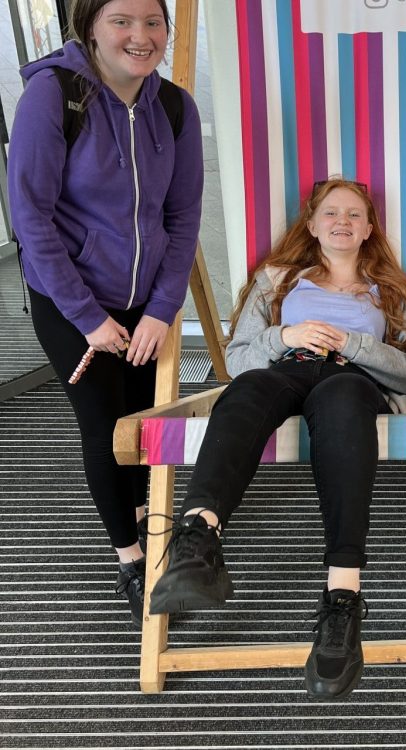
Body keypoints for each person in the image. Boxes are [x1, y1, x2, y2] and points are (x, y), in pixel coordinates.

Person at [148, 178, 406, 700]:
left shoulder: (392, 291)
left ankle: (342, 600)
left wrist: (355, 343)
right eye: (331, 213)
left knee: (346, 401)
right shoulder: (279, 280)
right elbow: (235, 361)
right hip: (287, 366)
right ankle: (197, 538)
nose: (342, 221)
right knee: (249, 389)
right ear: (312, 224)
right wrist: (285, 336)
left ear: (369, 229)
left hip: (351, 376)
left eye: (354, 215)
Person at [7, 0, 204, 625]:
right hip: (71, 300)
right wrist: (89, 318)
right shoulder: (52, 97)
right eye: (122, 21)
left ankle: (150, 519)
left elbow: (182, 218)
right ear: (89, 25)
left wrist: (162, 308)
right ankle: (129, 556)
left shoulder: (174, 107)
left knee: (145, 421)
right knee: (104, 422)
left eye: (153, 22)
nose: (140, 37)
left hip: (147, 301)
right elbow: (31, 220)